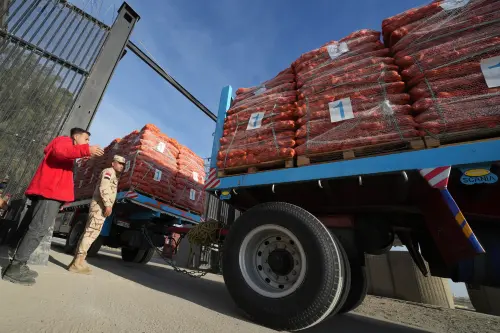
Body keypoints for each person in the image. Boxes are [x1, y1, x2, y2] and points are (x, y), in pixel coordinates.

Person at [1, 128, 104, 286]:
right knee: (38, 229)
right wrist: (86, 150)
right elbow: (59, 151)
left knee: (34, 228)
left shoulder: (70, 153)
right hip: (49, 193)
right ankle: (16, 267)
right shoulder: (63, 141)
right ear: (75, 137)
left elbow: (63, 173)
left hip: (52, 194)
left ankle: (19, 264)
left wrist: (63, 202)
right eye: (86, 139)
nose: (88, 143)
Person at [68, 155, 125, 274]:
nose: (121, 166)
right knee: (91, 233)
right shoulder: (108, 172)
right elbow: (103, 188)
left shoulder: (115, 175)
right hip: (99, 206)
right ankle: (77, 263)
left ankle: (78, 261)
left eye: (123, 164)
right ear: (113, 163)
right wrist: (107, 205)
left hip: (101, 206)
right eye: (119, 163)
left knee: (89, 233)